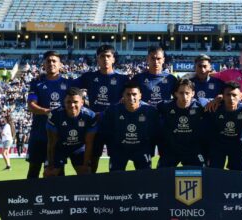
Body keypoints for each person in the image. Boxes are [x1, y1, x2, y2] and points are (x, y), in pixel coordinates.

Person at [74, 44, 129, 173]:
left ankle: (115, 192)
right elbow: (67, 85)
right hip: (95, 125)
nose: (105, 59)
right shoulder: (89, 77)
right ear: (97, 59)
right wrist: (44, 76)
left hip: (115, 125)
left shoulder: (123, 79)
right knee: (92, 161)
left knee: (116, 162)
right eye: (102, 56)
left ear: (114, 59)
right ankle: (92, 190)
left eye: (108, 56)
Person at [26, 50, 72, 179]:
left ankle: (61, 198)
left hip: (59, 135)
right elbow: (31, 105)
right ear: (44, 65)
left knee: (58, 171)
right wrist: (46, 111)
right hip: (39, 133)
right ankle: (30, 199)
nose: (51, 63)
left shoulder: (68, 84)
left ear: (60, 64)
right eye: (48, 61)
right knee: (33, 170)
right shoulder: (36, 83)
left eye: (54, 61)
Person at [101, 81, 159, 171]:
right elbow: (107, 132)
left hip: (141, 149)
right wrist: (112, 150)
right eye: (128, 94)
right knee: (114, 179)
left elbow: (155, 133)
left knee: (145, 179)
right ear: (123, 96)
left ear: (140, 96)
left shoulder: (150, 111)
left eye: (134, 94)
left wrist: (149, 150)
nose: (131, 97)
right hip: (120, 149)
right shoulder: (113, 111)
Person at [44, 87, 97, 177]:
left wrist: (85, 164)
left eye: (75, 102)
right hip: (59, 148)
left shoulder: (90, 116)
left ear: (82, 103)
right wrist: (50, 164)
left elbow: (89, 143)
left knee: (86, 173)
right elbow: (51, 142)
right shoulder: (54, 115)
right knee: (49, 174)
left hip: (78, 148)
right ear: (64, 103)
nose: (72, 105)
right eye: (69, 102)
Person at [207, 82, 242, 171]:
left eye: (234, 95)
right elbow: (199, 103)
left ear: (240, 97)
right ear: (223, 96)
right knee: (214, 173)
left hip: (237, 145)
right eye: (228, 95)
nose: (231, 98)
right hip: (218, 144)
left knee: (238, 174)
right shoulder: (215, 106)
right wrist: (214, 100)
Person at [157, 79, 208, 168]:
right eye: (181, 93)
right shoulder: (165, 106)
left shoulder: (201, 105)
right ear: (176, 94)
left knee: (201, 174)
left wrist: (219, 98)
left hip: (192, 149)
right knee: (161, 175)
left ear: (193, 93)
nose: (184, 96)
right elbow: (146, 107)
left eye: (187, 93)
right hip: (172, 149)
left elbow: (219, 101)